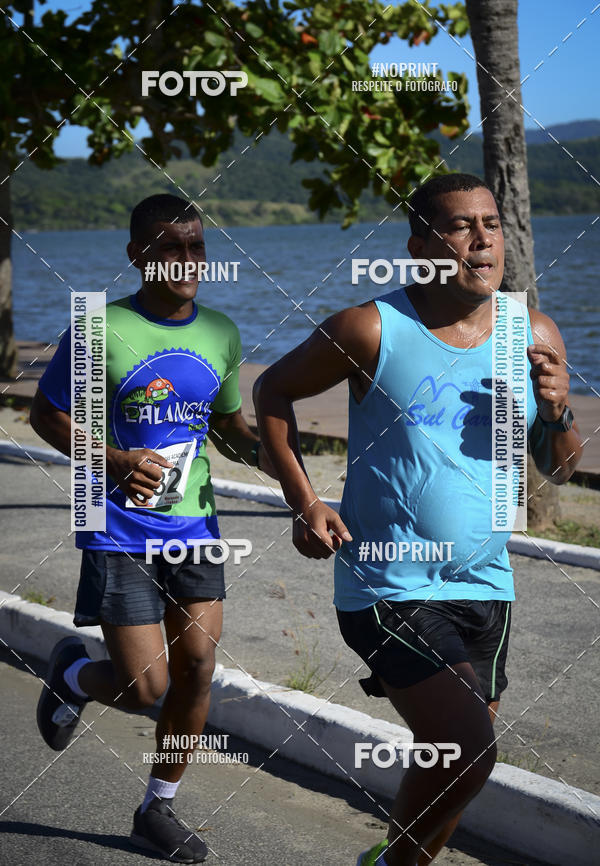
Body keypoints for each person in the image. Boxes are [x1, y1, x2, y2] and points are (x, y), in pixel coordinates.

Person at [253, 173, 582, 866]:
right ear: (421, 246)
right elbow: (272, 389)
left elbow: (560, 466)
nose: (484, 238)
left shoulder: (533, 332)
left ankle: (398, 860)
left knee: (455, 769)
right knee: (467, 749)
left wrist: (557, 411)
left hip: (486, 586)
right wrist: (305, 501)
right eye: (462, 226)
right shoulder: (371, 328)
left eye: (491, 223)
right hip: (388, 584)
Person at [31, 193, 274, 863]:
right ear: (137, 255)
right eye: (171, 247)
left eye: (196, 246)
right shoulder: (97, 329)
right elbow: (46, 417)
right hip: (116, 528)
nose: (188, 260)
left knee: (197, 669)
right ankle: (75, 675)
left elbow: (227, 426)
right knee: (148, 688)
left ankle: (156, 810)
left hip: (193, 523)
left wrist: (271, 455)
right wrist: (114, 460)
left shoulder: (221, 332)